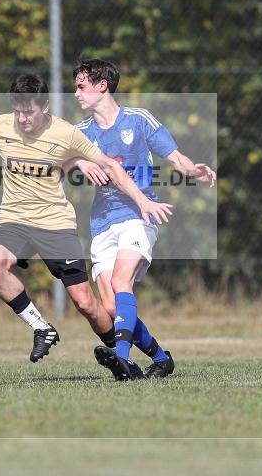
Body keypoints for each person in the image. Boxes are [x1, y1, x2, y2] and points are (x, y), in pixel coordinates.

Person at [0, 74, 173, 363]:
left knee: (88, 305)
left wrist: (140, 199)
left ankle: (134, 357)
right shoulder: (1, 125)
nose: (21, 118)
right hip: (15, 220)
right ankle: (41, 327)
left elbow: (108, 165)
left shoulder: (65, 132)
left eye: (28, 111)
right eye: (17, 111)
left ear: (44, 106)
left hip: (55, 225)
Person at [64, 59, 216, 380]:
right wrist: (77, 163)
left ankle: (121, 358)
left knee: (122, 282)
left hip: (139, 214)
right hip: (102, 223)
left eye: (81, 86)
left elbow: (174, 156)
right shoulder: (81, 132)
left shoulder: (138, 119)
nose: (75, 92)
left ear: (102, 85)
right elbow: (57, 165)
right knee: (110, 309)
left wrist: (190, 170)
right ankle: (161, 359)